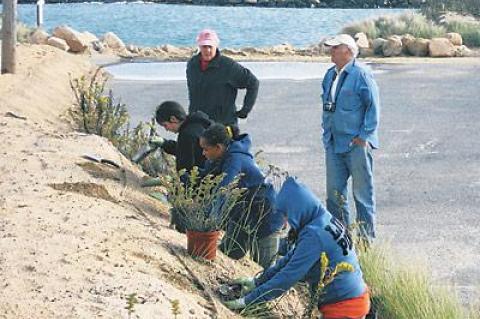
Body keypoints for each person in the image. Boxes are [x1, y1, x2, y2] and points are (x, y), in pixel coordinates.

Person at [222, 177, 370, 319]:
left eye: (286, 214)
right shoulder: (321, 218)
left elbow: (288, 276)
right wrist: (257, 282)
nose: (286, 220)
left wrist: (248, 301)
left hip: (344, 306)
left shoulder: (314, 234)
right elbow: (290, 258)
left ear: (297, 209)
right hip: (355, 296)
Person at [199, 124, 284, 269]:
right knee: (229, 251)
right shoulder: (223, 157)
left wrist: (208, 224)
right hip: (243, 214)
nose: (203, 153)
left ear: (218, 147)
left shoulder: (234, 160)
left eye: (206, 149)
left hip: (266, 216)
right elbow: (204, 178)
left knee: (265, 268)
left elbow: (223, 193)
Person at [321, 34, 380, 242]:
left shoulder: (362, 74)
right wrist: (326, 136)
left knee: (362, 197)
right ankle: (342, 242)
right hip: (334, 145)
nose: (331, 52)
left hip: (356, 146)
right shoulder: (330, 75)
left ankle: (366, 244)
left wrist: (364, 137)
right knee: (334, 197)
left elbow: (373, 107)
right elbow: (327, 107)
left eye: (335, 48)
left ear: (347, 51)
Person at [186, 29, 259, 126]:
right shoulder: (192, 64)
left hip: (223, 124)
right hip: (198, 122)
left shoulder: (228, 66)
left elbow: (253, 83)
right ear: (199, 46)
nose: (207, 50)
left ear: (216, 46)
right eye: (204, 46)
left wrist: (245, 110)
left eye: (210, 46)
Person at [154, 100, 212, 173]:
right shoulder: (199, 123)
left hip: (206, 177)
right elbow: (185, 149)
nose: (166, 129)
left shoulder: (186, 135)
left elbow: (184, 170)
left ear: (173, 119)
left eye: (165, 125)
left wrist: (167, 180)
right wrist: (164, 143)